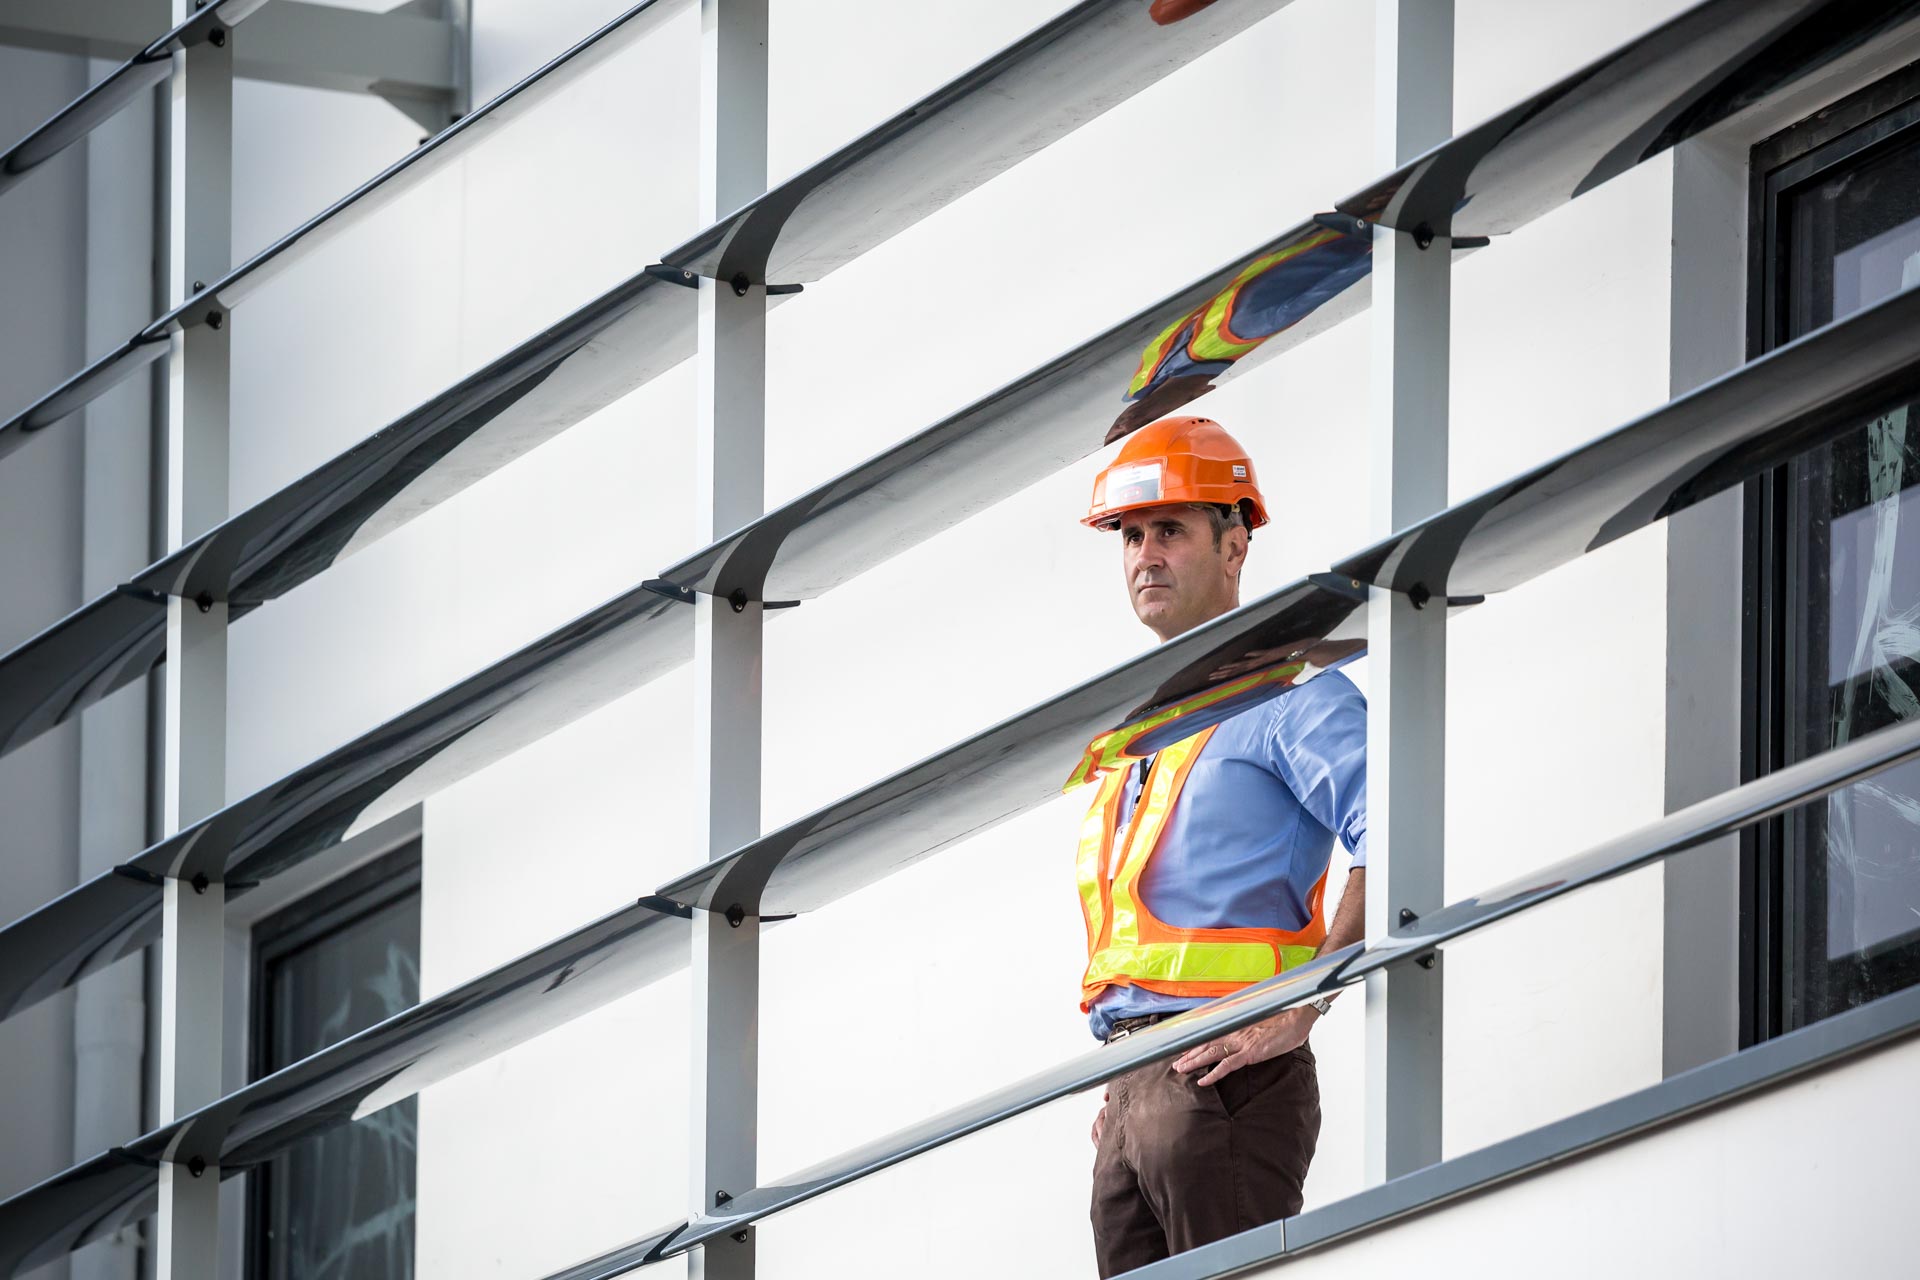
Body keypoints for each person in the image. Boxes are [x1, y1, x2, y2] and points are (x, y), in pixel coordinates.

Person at [1077, 415, 1368, 1277]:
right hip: (1134, 1080)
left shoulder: (1292, 699)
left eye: (1169, 529)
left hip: (1227, 1074)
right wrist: (1129, 1085)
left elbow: (1400, 832)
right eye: (1130, 535)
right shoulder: (1140, 731)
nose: (1144, 556)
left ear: (1235, 545)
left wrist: (1304, 1003)